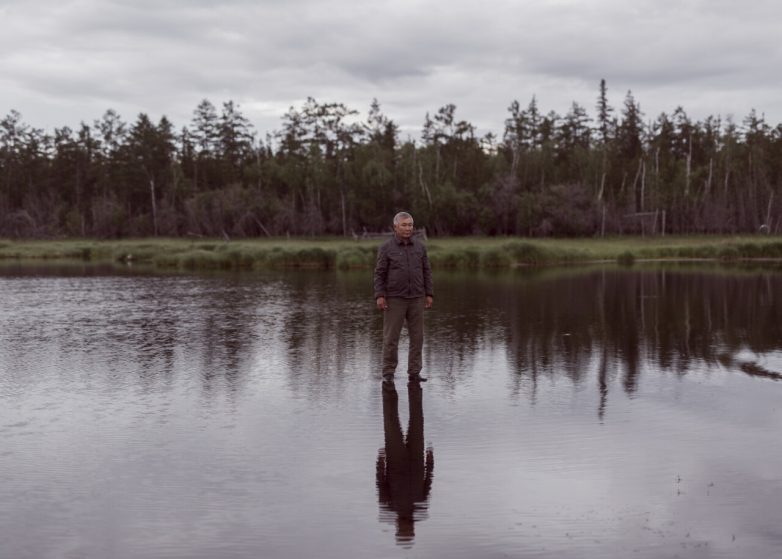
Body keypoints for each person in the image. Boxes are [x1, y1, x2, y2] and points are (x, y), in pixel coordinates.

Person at [373, 212, 434, 383]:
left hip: (417, 298)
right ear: (396, 227)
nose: (408, 228)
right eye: (404, 225)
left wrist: (429, 294)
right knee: (391, 338)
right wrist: (380, 295)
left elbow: (427, 271)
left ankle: (414, 372)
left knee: (417, 337)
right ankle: (388, 373)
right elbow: (379, 274)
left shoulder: (420, 247)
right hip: (394, 299)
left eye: (410, 225)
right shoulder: (386, 248)